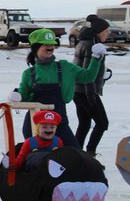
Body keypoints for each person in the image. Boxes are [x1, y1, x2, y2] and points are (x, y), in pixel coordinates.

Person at [13, 28, 105, 148]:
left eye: (52, 44)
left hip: (60, 122)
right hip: (35, 124)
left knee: (74, 154)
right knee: (37, 158)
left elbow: (88, 76)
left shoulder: (65, 67)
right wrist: (17, 96)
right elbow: (23, 98)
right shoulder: (29, 73)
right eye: (46, 44)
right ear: (36, 48)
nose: (50, 47)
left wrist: (96, 58)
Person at [73, 15, 110, 156]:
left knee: (84, 124)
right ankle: (89, 153)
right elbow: (86, 72)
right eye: (106, 31)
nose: (108, 34)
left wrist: (104, 76)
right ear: (98, 32)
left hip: (79, 91)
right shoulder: (91, 46)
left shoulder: (84, 43)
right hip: (86, 92)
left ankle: (77, 154)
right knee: (102, 123)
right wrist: (91, 95)